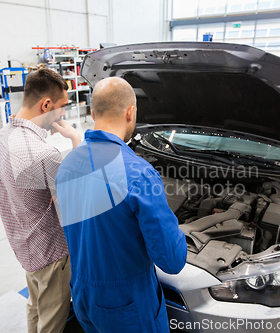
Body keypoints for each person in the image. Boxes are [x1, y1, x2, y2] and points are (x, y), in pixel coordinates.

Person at [55, 77, 187, 332]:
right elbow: (172, 260)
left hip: (82, 296)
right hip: (127, 304)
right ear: (131, 112)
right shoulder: (139, 174)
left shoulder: (67, 165)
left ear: (92, 112)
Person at [0, 68, 81, 333]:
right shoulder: (45, 154)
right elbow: (75, 202)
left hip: (24, 245)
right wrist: (77, 141)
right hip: (52, 254)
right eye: (62, 107)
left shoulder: (2, 136)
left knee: (34, 306)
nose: (64, 114)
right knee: (52, 322)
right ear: (46, 104)